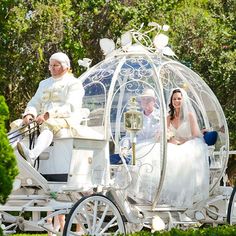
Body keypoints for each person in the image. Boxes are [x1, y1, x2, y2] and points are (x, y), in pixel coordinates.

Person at [16, 52, 85, 166]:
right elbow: (35, 101)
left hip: (67, 118)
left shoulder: (74, 83)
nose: (52, 68)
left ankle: (32, 155)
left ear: (65, 67)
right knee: (19, 124)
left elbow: (70, 106)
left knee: (48, 124)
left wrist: (47, 115)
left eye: (55, 65)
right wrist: (29, 114)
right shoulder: (44, 83)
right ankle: (10, 158)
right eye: (50, 65)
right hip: (43, 118)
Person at [160, 88, 209, 207]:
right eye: (174, 99)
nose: (176, 101)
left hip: (187, 144)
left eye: (179, 98)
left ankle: (184, 197)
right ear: (171, 101)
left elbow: (195, 135)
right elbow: (165, 133)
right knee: (162, 154)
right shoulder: (168, 118)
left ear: (183, 100)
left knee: (185, 156)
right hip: (173, 145)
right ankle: (166, 194)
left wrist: (182, 141)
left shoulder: (190, 116)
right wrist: (171, 139)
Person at [110, 88, 160, 164]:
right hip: (138, 150)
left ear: (154, 101)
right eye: (143, 99)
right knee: (113, 159)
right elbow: (128, 137)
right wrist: (125, 148)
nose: (145, 101)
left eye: (148, 99)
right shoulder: (135, 116)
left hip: (153, 152)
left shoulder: (161, 116)